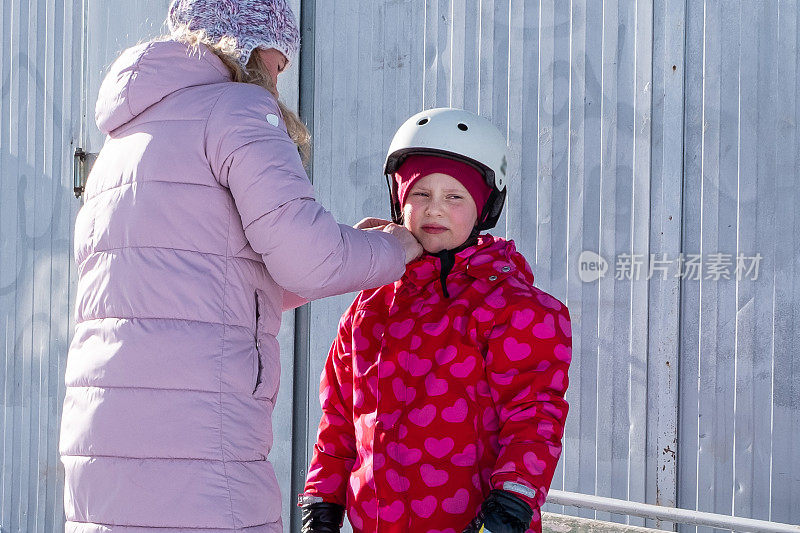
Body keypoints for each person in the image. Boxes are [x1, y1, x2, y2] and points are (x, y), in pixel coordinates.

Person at [58, 1, 422, 532]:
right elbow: (309, 261)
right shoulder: (237, 110)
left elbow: (212, 286)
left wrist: (357, 253)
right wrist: (397, 248)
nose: (281, 73)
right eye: (278, 58)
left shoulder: (124, 138)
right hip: (197, 437)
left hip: (104, 438)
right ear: (250, 45)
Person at [299, 108, 572, 533]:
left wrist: (509, 506)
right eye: (420, 193)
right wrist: (322, 502)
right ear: (398, 200)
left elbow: (533, 420)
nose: (434, 210)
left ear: (486, 206)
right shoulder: (370, 306)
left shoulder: (518, 309)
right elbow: (338, 417)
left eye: (454, 197)